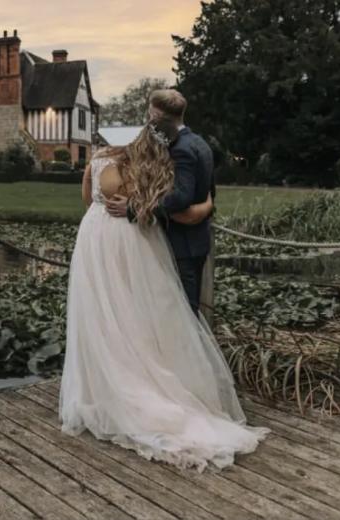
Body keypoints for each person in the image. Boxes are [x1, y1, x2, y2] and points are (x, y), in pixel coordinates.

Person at [60, 120, 268, 472]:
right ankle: (138, 377)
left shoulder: (97, 160)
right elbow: (144, 205)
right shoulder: (135, 165)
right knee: (133, 310)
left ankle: (107, 387)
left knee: (105, 311)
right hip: (122, 237)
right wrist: (201, 206)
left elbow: (86, 199)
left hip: (97, 236)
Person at [106, 89, 214, 315]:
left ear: (156, 115)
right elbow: (206, 189)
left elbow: (181, 196)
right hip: (196, 238)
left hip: (182, 242)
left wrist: (133, 208)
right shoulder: (199, 142)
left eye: (149, 112)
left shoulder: (180, 149)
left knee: (182, 311)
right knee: (183, 308)